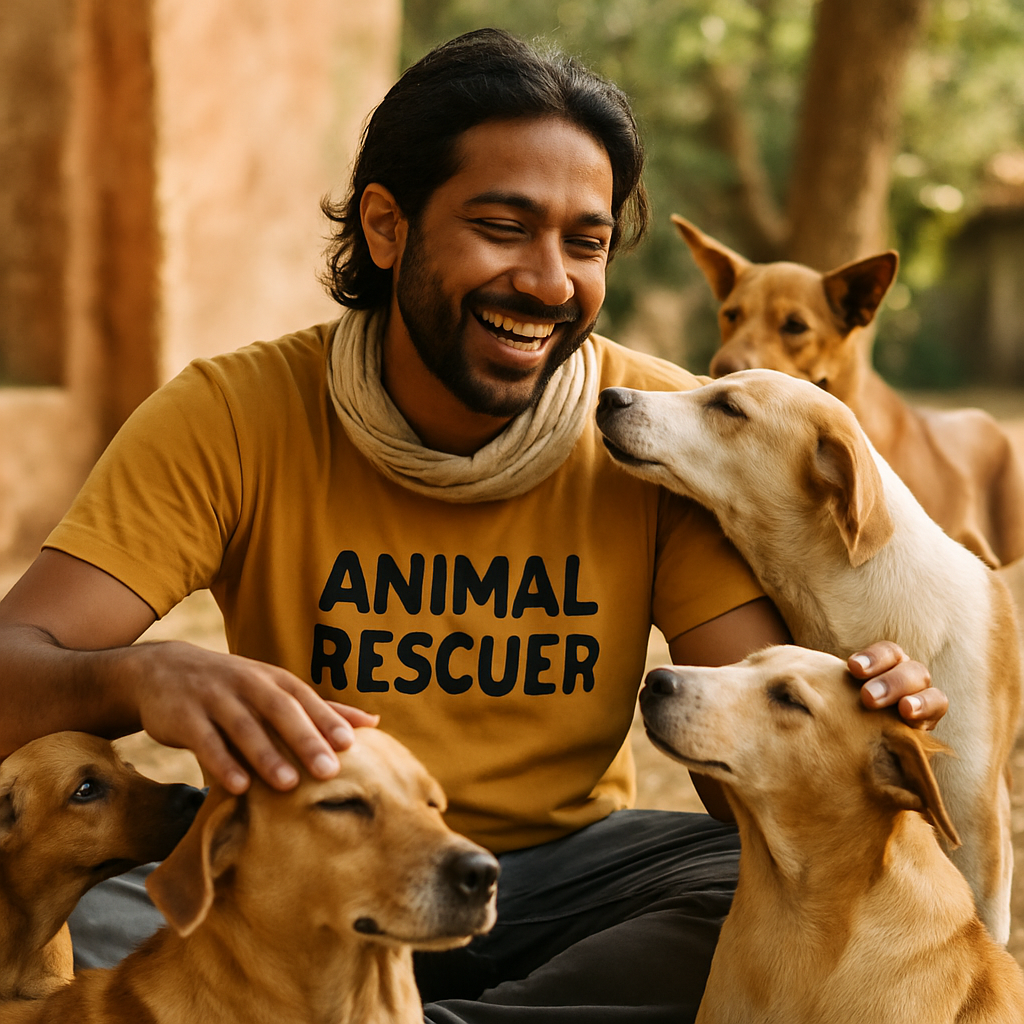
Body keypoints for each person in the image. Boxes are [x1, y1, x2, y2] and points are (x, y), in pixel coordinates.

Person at [0, 28, 945, 1024]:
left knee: (768, 898)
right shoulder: (231, 412)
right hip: (298, 880)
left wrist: (843, 715)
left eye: (583, 243)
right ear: (384, 226)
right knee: (91, 901)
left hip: (565, 885)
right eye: (504, 226)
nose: (547, 281)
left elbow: (743, 778)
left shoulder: (667, 435)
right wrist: (139, 676)